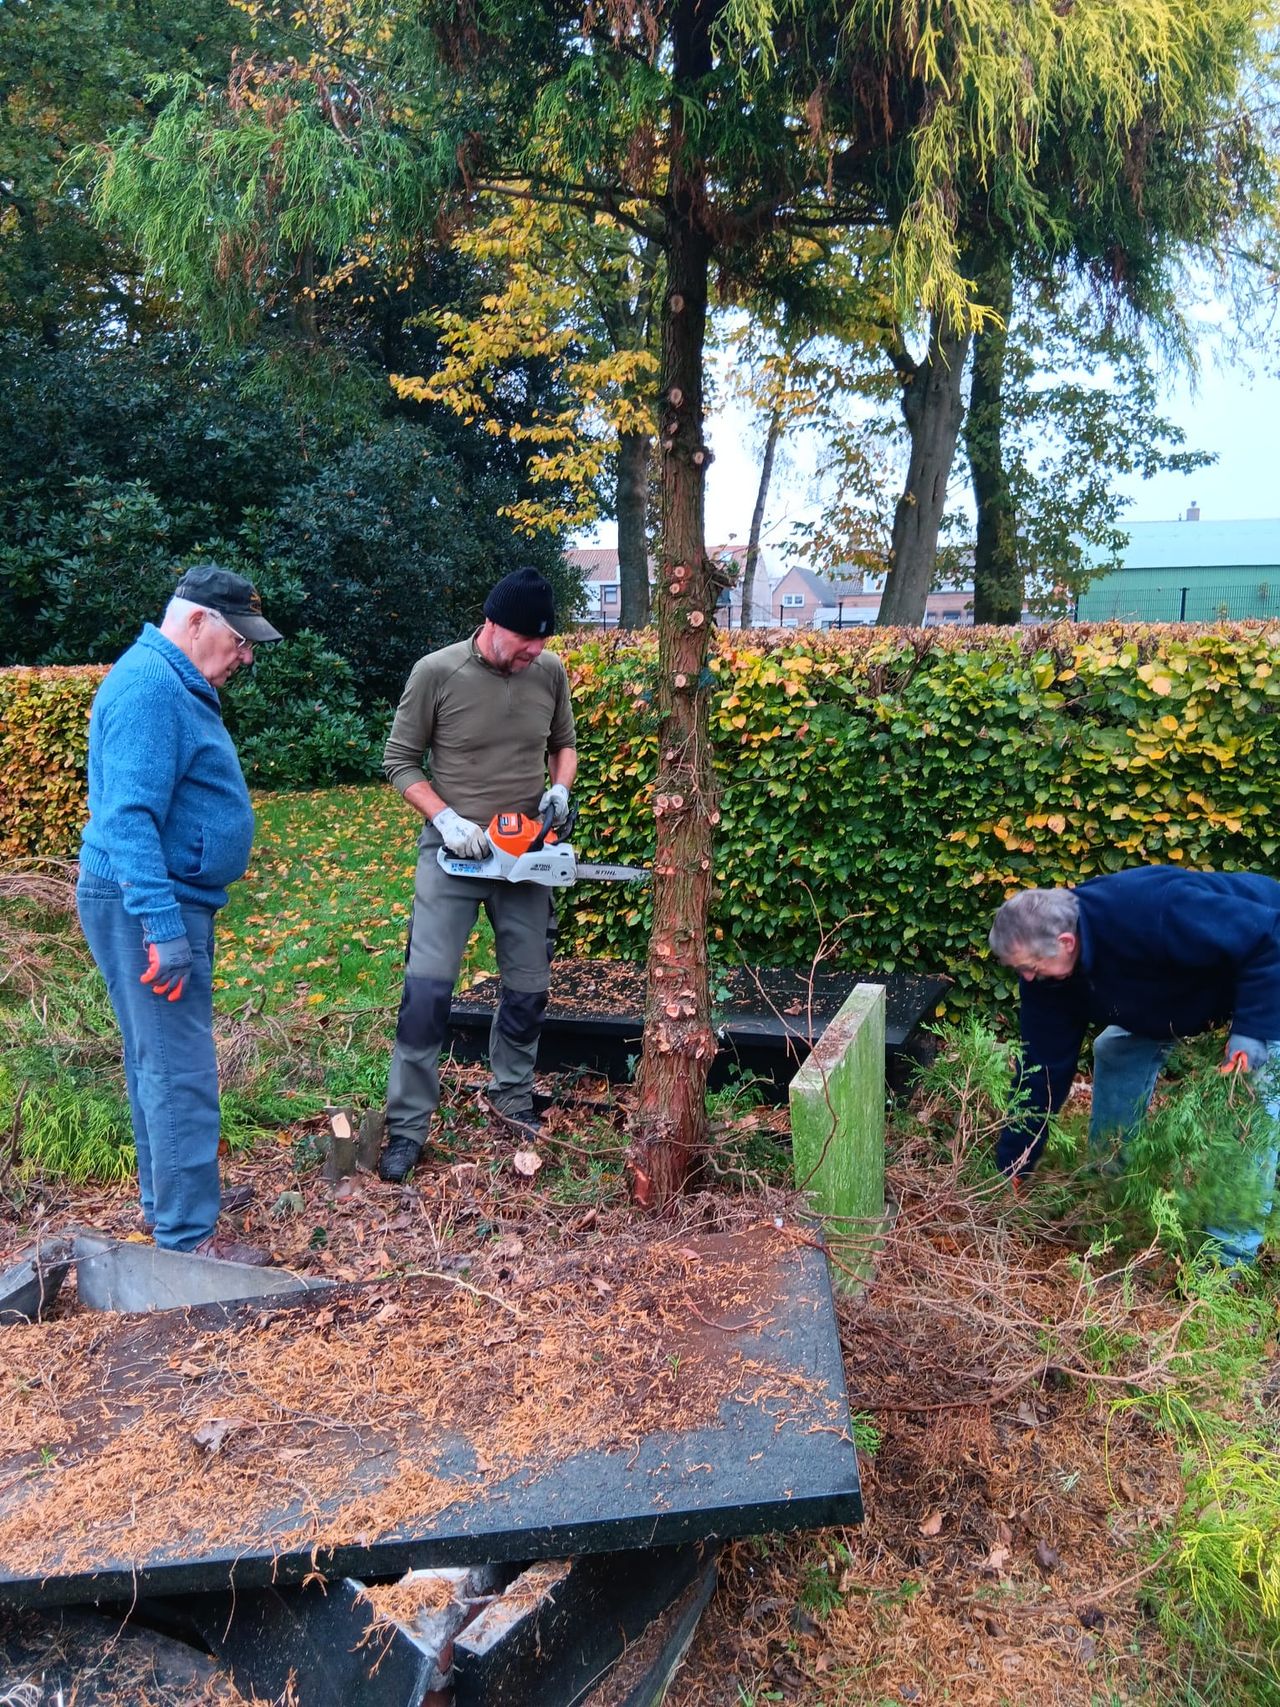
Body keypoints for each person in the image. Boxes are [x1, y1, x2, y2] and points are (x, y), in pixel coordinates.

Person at [76, 565, 282, 1264]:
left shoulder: (170, 680)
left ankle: (170, 1213)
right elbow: (128, 817)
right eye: (239, 639)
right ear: (195, 621)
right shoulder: (151, 689)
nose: (246, 654)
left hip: (156, 896)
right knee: (179, 1069)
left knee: (159, 1063)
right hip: (148, 904)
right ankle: (188, 1243)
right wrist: (161, 926)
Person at [377, 568, 578, 1183]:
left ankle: (512, 1098)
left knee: (528, 986)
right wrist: (447, 819)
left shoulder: (548, 672)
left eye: (542, 642)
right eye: (526, 641)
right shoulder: (436, 672)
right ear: (492, 625)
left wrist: (560, 790)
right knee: (428, 994)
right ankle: (408, 1125)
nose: (535, 651)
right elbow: (398, 761)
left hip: (525, 856)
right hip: (453, 855)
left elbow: (563, 743)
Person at [989, 865, 1280, 1264]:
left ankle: (1226, 1255)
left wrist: (1250, 1029)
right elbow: (1041, 1069)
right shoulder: (1046, 977)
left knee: (1252, 1097)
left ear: (1065, 940)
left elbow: (1266, 936)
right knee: (1115, 1049)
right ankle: (1111, 1184)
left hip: (1266, 969)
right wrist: (1013, 1166)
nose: (1025, 976)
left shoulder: (1154, 910)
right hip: (1182, 995)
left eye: (1029, 967)